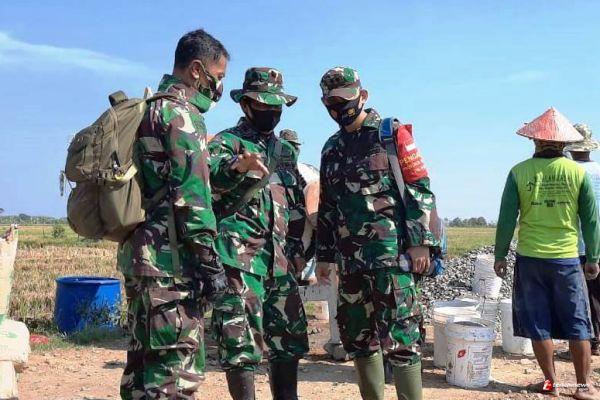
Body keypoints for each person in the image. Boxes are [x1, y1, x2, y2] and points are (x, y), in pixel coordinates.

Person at [117, 29, 231, 399]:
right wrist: (210, 264)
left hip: (141, 259)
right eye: (218, 76)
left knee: (141, 372)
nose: (219, 86)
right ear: (197, 70)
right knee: (174, 377)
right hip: (172, 265)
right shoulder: (182, 115)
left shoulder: (148, 108)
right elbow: (192, 199)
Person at [315, 66, 437, 400]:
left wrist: (420, 243)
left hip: (391, 259)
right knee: (359, 338)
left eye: (344, 99)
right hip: (350, 264)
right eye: (330, 102)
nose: (338, 108)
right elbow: (327, 206)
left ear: (362, 95)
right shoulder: (331, 148)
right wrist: (324, 256)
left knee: (402, 339)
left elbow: (419, 189)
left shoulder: (391, 135)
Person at [209, 67, 309, 400]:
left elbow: (295, 205)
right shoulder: (226, 143)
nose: (271, 112)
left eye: (276, 106)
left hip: (280, 263)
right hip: (238, 260)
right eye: (264, 105)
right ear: (245, 105)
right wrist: (237, 167)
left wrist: (298, 252)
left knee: (288, 339)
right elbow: (209, 181)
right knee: (240, 343)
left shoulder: (285, 152)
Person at [494, 108, 600, 399]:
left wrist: (500, 255)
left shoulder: (518, 172)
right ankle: (584, 387)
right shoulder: (577, 173)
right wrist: (593, 258)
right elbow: (590, 221)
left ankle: (550, 384)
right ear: (564, 143)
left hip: (530, 259)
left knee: (538, 322)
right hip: (567, 259)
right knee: (578, 322)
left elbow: (507, 219)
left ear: (535, 141)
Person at [566, 123, 600, 355]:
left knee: (580, 297)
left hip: (577, 243)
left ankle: (587, 344)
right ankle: (596, 341)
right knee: (597, 294)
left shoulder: (570, 172)